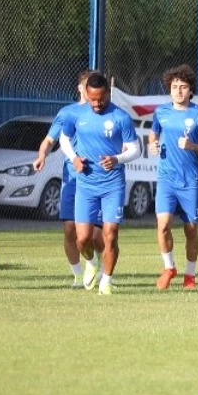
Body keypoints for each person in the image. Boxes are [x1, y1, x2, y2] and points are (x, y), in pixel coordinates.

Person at [57, 72, 139, 294]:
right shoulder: (76, 115)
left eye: (100, 98)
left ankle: (107, 281)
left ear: (108, 94)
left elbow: (135, 149)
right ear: (85, 93)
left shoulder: (121, 117)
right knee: (82, 239)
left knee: (110, 234)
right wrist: (74, 157)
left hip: (113, 184)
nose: (96, 103)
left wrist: (117, 159)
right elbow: (64, 139)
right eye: (92, 98)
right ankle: (91, 264)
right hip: (86, 185)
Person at [33, 69, 105, 287]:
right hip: (72, 179)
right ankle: (77, 276)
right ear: (80, 88)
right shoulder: (68, 113)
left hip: (98, 179)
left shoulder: (106, 112)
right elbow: (49, 140)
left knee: (95, 235)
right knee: (69, 230)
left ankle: (101, 267)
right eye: (85, 85)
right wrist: (41, 155)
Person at [149, 64, 198, 290]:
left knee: (191, 229)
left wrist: (192, 145)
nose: (178, 91)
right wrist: (153, 144)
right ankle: (169, 268)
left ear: (190, 90)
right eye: (174, 86)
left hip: (190, 180)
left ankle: (190, 275)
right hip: (166, 178)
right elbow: (153, 133)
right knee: (163, 224)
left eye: (183, 87)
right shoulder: (161, 112)